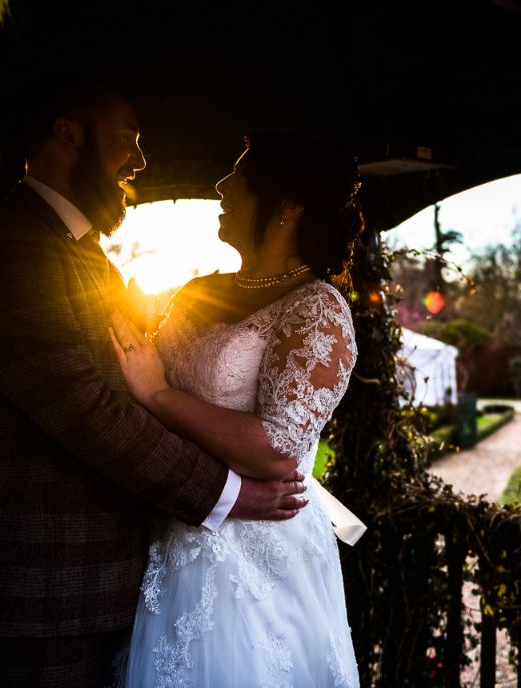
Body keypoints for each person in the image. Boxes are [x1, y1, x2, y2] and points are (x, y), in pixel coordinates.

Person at [0, 73, 309, 688]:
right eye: (127, 139)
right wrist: (228, 494)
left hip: (98, 591)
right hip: (32, 595)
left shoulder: (82, 254)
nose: (139, 159)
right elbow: (86, 407)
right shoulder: (7, 245)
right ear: (67, 134)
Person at [109, 132, 365, 687]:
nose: (223, 186)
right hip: (162, 524)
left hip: (254, 553)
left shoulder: (316, 308)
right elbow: (136, 383)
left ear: (288, 206)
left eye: (240, 176)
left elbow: (277, 450)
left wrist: (159, 395)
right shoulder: (196, 292)